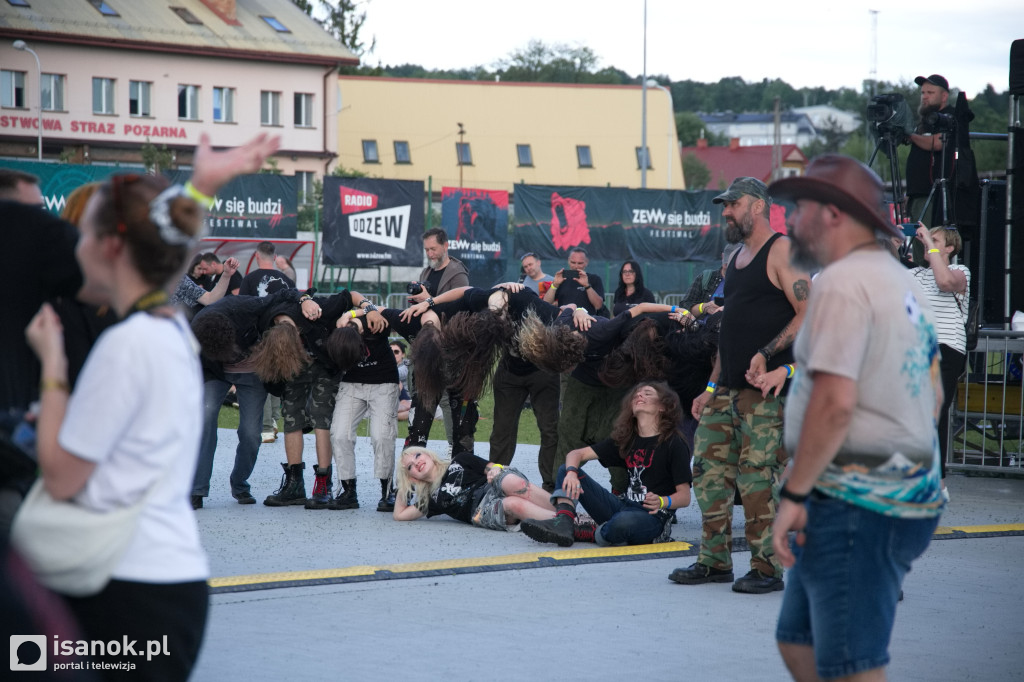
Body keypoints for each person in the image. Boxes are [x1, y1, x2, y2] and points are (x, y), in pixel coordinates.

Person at [22, 131, 280, 678]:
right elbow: (166, 242)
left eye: (84, 235)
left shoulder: (127, 343)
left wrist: (52, 374)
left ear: (111, 247)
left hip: (124, 591)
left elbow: (64, 477)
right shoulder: (164, 328)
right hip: (165, 581)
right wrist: (203, 186)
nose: (75, 247)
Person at [766, 154, 944, 681]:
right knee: (798, 643)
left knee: (850, 665)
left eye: (799, 208)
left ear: (835, 214)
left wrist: (795, 494)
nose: (791, 221)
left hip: (856, 503)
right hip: (888, 494)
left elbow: (834, 400)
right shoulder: (901, 281)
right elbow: (931, 395)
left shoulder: (842, 283)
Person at [668, 176, 811, 595]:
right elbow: (729, 329)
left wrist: (768, 353)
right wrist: (710, 388)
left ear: (758, 205)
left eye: (733, 204)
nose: (726, 212)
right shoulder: (735, 258)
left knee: (756, 477)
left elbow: (809, 312)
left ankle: (766, 568)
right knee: (708, 473)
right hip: (727, 390)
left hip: (765, 392)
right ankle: (714, 562)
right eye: (724, 205)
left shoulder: (783, 250)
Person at [520, 381, 692, 547]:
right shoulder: (627, 439)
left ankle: (587, 531)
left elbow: (684, 497)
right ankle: (563, 523)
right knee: (566, 469)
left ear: (663, 407)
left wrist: (663, 501)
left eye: (647, 393)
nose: (639, 395)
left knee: (622, 522)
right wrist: (572, 472)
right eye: (636, 394)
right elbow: (576, 453)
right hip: (623, 507)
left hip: (653, 518)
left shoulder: (674, 444)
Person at [190, 289, 319, 508]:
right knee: (206, 418)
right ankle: (198, 489)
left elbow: (284, 293)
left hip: (252, 372)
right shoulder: (195, 330)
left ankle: (240, 484)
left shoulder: (244, 306)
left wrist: (305, 300)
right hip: (216, 373)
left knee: (251, 433)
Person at [912, 224, 969, 496]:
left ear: (949, 248)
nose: (927, 242)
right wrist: (892, 237)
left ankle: (936, 483)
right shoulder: (915, 274)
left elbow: (944, 282)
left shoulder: (960, 272)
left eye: (935, 240)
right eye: (926, 238)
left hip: (947, 348)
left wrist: (929, 245)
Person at [329, 310, 402, 513]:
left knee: (382, 436)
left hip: (383, 382)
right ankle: (348, 491)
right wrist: (346, 315)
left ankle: (387, 492)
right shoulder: (340, 329)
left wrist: (363, 311)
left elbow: (376, 307)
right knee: (339, 434)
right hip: (351, 384)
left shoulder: (376, 323)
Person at [393, 447, 562, 532]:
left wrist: (495, 469)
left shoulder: (460, 459)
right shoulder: (432, 499)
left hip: (493, 482)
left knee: (511, 483)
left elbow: (491, 467)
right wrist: (404, 483)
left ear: (428, 454)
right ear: (413, 477)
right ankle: (567, 524)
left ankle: (565, 511)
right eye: (410, 467)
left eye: (417, 456)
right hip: (482, 509)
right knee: (513, 504)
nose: (417, 462)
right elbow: (399, 515)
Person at [407, 227, 470, 452]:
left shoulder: (457, 273)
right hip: (427, 350)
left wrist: (429, 301)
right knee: (422, 406)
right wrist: (416, 303)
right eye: (426, 250)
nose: (430, 253)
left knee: (455, 410)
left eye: (433, 249)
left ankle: (459, 459)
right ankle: (415, 453)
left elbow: (461, 309)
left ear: (446, 246)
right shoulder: (426, 272)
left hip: (451, 352)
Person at [238, 241, 295, 444]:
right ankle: (274, 421)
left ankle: (267, 428)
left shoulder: (250, 279)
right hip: (284, 337)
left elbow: (242, 308)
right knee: (277, 377)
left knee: (262, 380)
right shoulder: (287, 280)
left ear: (256, 256)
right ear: (274, 255)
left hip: (259, 339)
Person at [906, 74, 954, 228]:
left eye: (930, 93)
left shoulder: (949, 117)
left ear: (944, 96)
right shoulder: (925, 121)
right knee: (919, 242)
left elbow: (938, 142)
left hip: (933, 195)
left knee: (930, 242)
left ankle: (933, 253)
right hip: (917, 194)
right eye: (923, 93)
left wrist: (911, 136)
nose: (925, 97)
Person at [542, 246, 607, 317]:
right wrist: (554, 285)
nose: (576, 266)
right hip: (564, 322)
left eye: (580, 263)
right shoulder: (562, 279)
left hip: (587, 323)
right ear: (568, 261)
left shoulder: (594, 279)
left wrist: (587, 286)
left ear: (586, 262)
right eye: (573, 262)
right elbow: (546, 302)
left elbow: (598, 305)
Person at [392, 340, 412, 421]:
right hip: (393, 399)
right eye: (390, 352)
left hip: (407, 399)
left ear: (403, 354)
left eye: (396, 352)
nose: (393, 354)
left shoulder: (407, 364)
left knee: (395, 381)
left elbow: (397, 374)